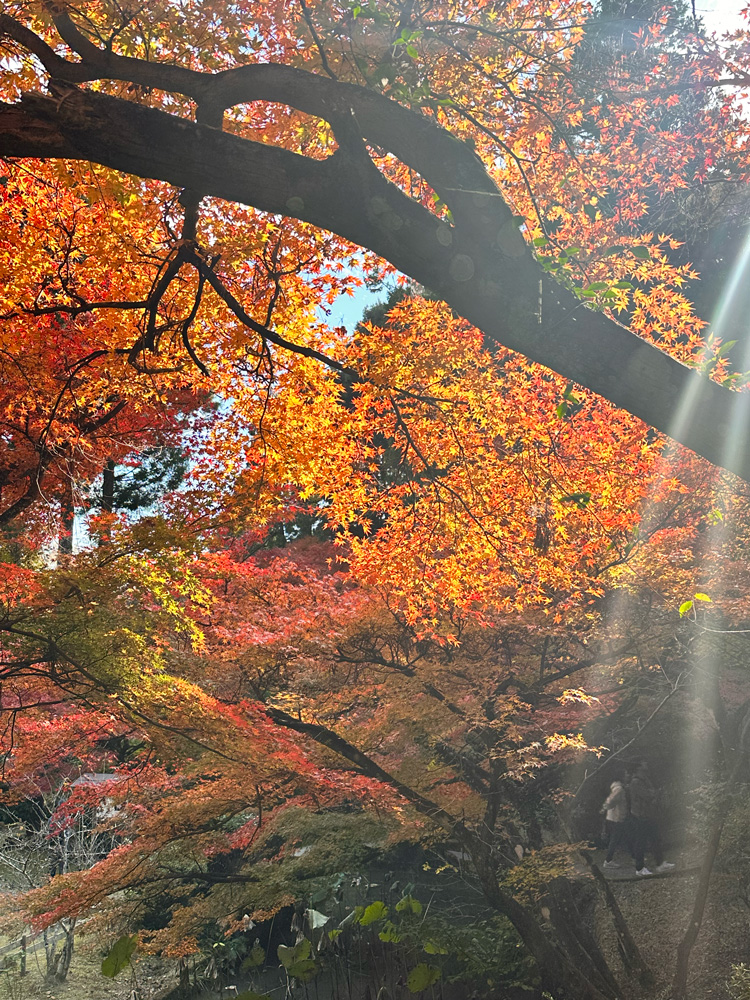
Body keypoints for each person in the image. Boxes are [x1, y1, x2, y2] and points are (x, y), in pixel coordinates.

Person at [628, 762, 675, 877]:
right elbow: (648, 795)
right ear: (638, 767)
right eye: (643, 763)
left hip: (648, 815)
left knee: (655, 839)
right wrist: (654, 793)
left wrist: (654, 794)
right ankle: (639, 868)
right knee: (641, 842)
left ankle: (660, 864)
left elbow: (652, 793)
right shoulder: (636, 782)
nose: (646, 764)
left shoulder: (644, 779)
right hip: (640, 816)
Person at [600, 775, 629, 869]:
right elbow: (610, 800)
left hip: (614, 817)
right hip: (616, 818)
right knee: (614, 839)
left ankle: (609, 860)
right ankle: (608, 860)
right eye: (625, 774)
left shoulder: (618, 788)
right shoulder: (619, 789)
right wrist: (606, 807)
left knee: (615, 839)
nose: (627, 776)